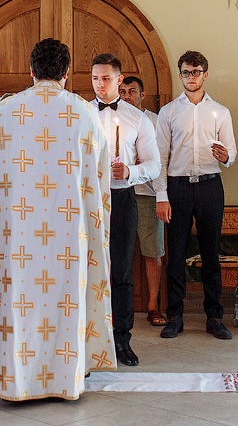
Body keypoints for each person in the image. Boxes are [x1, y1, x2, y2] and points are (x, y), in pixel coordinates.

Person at [0, 38, 115, 401]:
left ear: (31, 71)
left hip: (17, 235)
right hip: (69, 237)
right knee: (64, 301)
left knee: (16, 298)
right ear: (68, 74)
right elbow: (100, 181)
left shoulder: (7, 111)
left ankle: (11, 376)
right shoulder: (84, 113)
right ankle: (66, 379)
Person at [156, 50, 237, 340]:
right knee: (176, 254)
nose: (191, 77)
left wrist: (226, 155)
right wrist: (161, 196)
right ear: (181, 76)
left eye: (196, 71)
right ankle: (175, 316)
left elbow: (231, 154)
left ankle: (214, 317)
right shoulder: (168, 112)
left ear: (205, 74)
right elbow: (160, 158)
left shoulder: (221, 112)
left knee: (211, 253)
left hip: (209, 185)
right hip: (177, 187)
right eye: (186, 72)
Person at [91, 54, 160, 366]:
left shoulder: (138, 119)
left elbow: (155, 165)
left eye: (106, 79)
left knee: (120, 271)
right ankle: (88, 339)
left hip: (121, 200)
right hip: (86, 202)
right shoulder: (79, 115)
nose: (99, 85)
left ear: (119, 80)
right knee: (87, 272)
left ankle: (122, 341)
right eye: (95, 79)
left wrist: (130, 172)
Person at [120, 74, 166, 327]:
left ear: (142, 94)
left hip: (147, 195)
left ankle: (153, 305)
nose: (127, 96)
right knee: (117, 251)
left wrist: (162, 196)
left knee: (152, 251)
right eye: (123, 91)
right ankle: (115, 307)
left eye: (132, 91)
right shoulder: (112, 117)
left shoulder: (154, 121)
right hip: (119, 192)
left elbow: (161, 163)